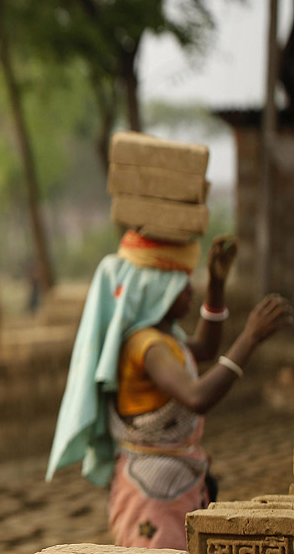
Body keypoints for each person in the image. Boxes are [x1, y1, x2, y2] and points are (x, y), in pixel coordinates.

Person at [46, 230, 293, 550]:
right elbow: (196, 397)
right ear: (155, 289)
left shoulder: (165, 339)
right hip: (153, 491)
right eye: (181, 283)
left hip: (172, 480)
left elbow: (204, 346)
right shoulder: (146, 345)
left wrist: (217, 286)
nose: (190, 290)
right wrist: (249, 338)